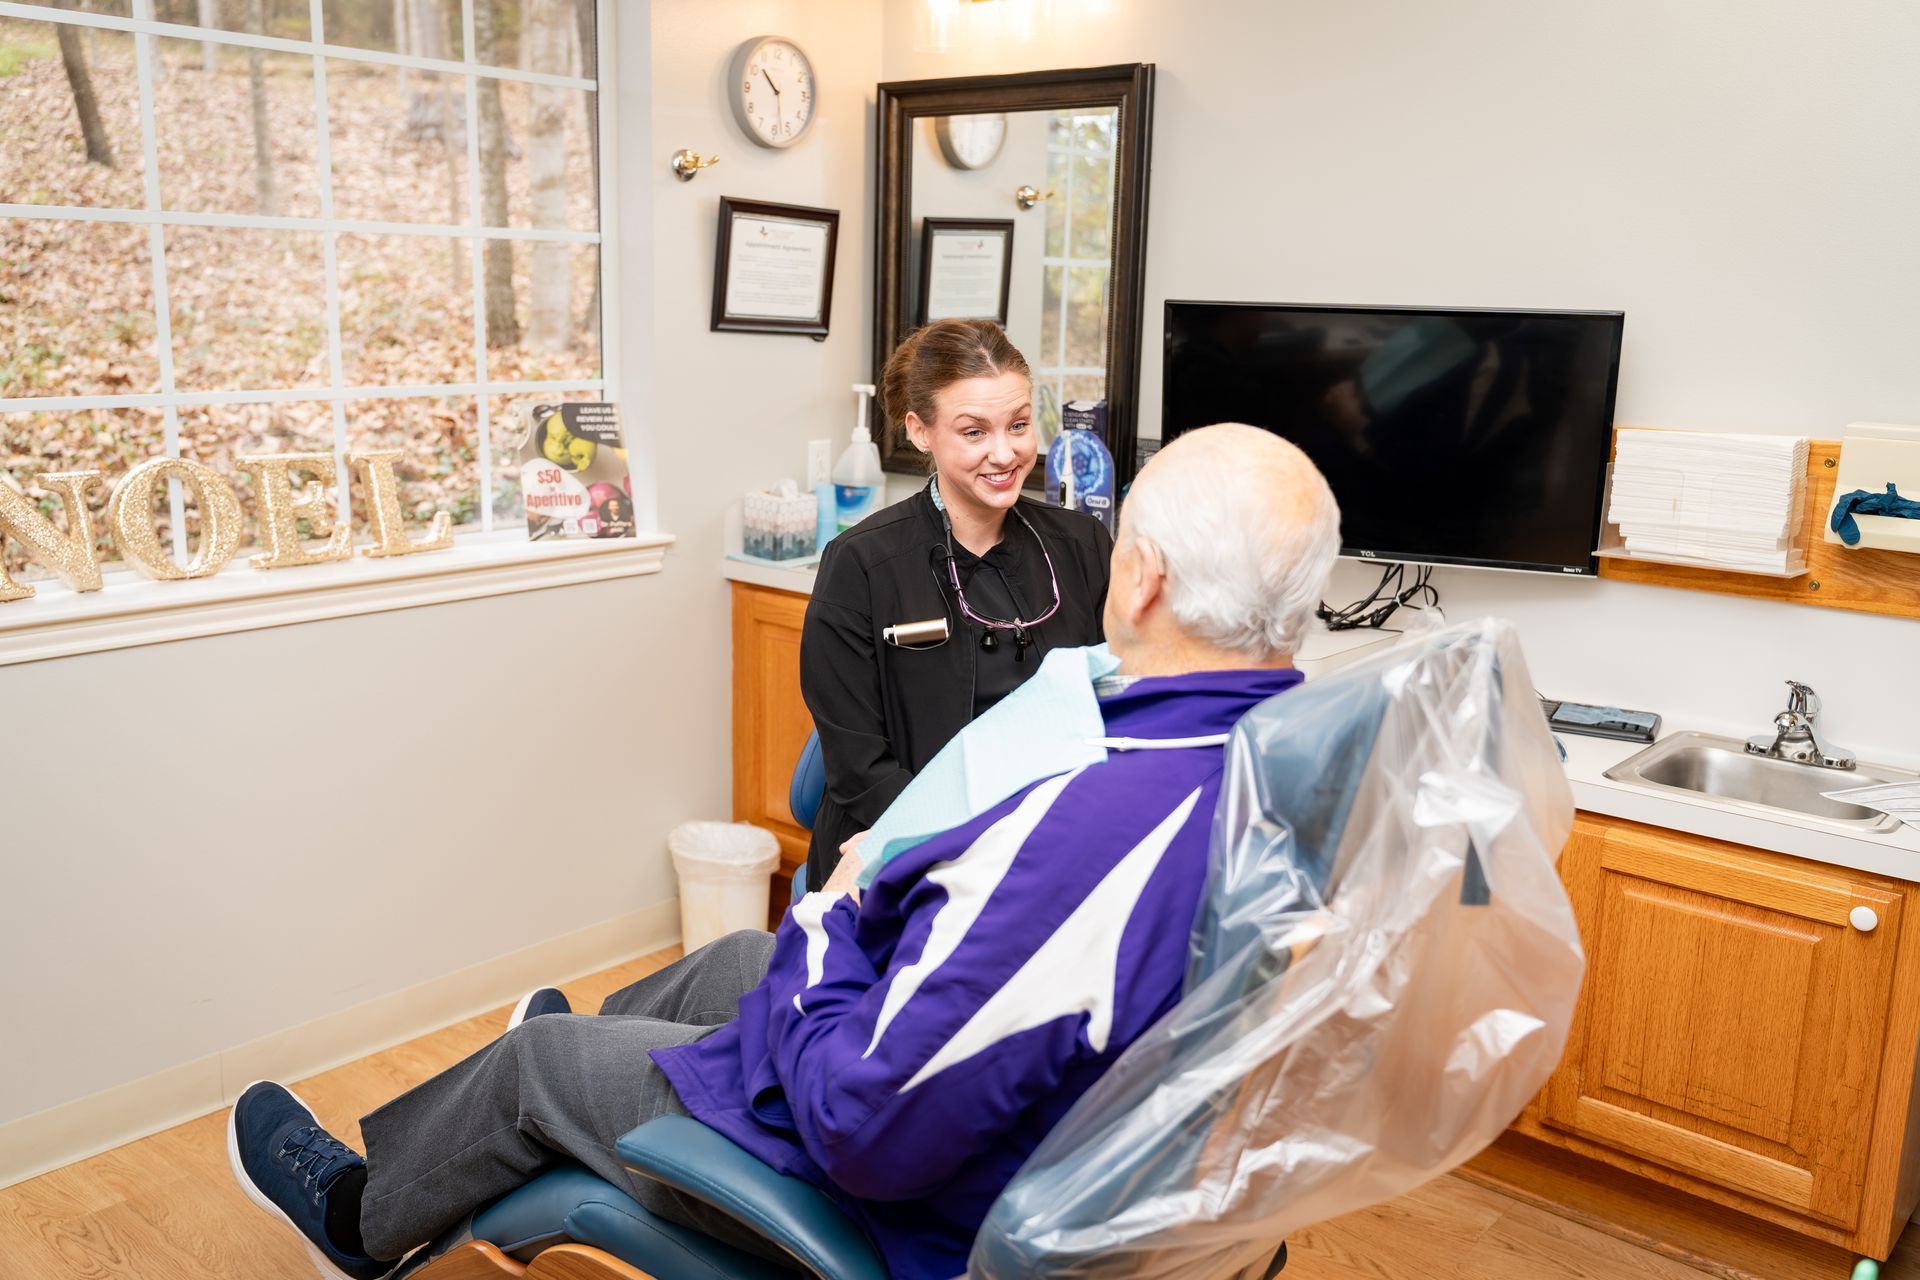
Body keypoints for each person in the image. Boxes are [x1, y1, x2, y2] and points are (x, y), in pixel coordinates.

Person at [226, 424, 1343, 1280]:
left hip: (934, 1208)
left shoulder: (1110, 818)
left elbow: (871, 1128)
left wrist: (832, 919)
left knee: (548, 1059)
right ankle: (553, 1098)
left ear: (1139, 575)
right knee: (725, 970)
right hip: (1059, 1134)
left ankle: (366, 1217)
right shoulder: (1291, 758)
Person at [800, 319, 1112, 888]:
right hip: (903, 841)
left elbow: (1113, 706)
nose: (1005, 453)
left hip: (1051, 838)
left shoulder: (1082, 545)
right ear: (920, 431)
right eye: (974, 432)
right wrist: (962, 844)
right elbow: (859, 768)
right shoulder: (862, 565)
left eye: (1019, 425)